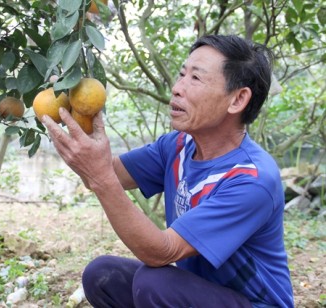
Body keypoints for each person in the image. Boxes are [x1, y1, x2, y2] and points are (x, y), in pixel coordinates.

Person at [41, 34, 294, 308]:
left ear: (237, 99)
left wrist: (100, 176)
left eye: (195, 79)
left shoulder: (251, 179)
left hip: (254, 303)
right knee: (102, 275)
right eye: (181, 74)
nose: (177, 88)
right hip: (201, 293)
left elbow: (162, 251)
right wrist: (80, 122)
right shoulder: (178, 146)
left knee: (155, 283)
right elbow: (106, 173)